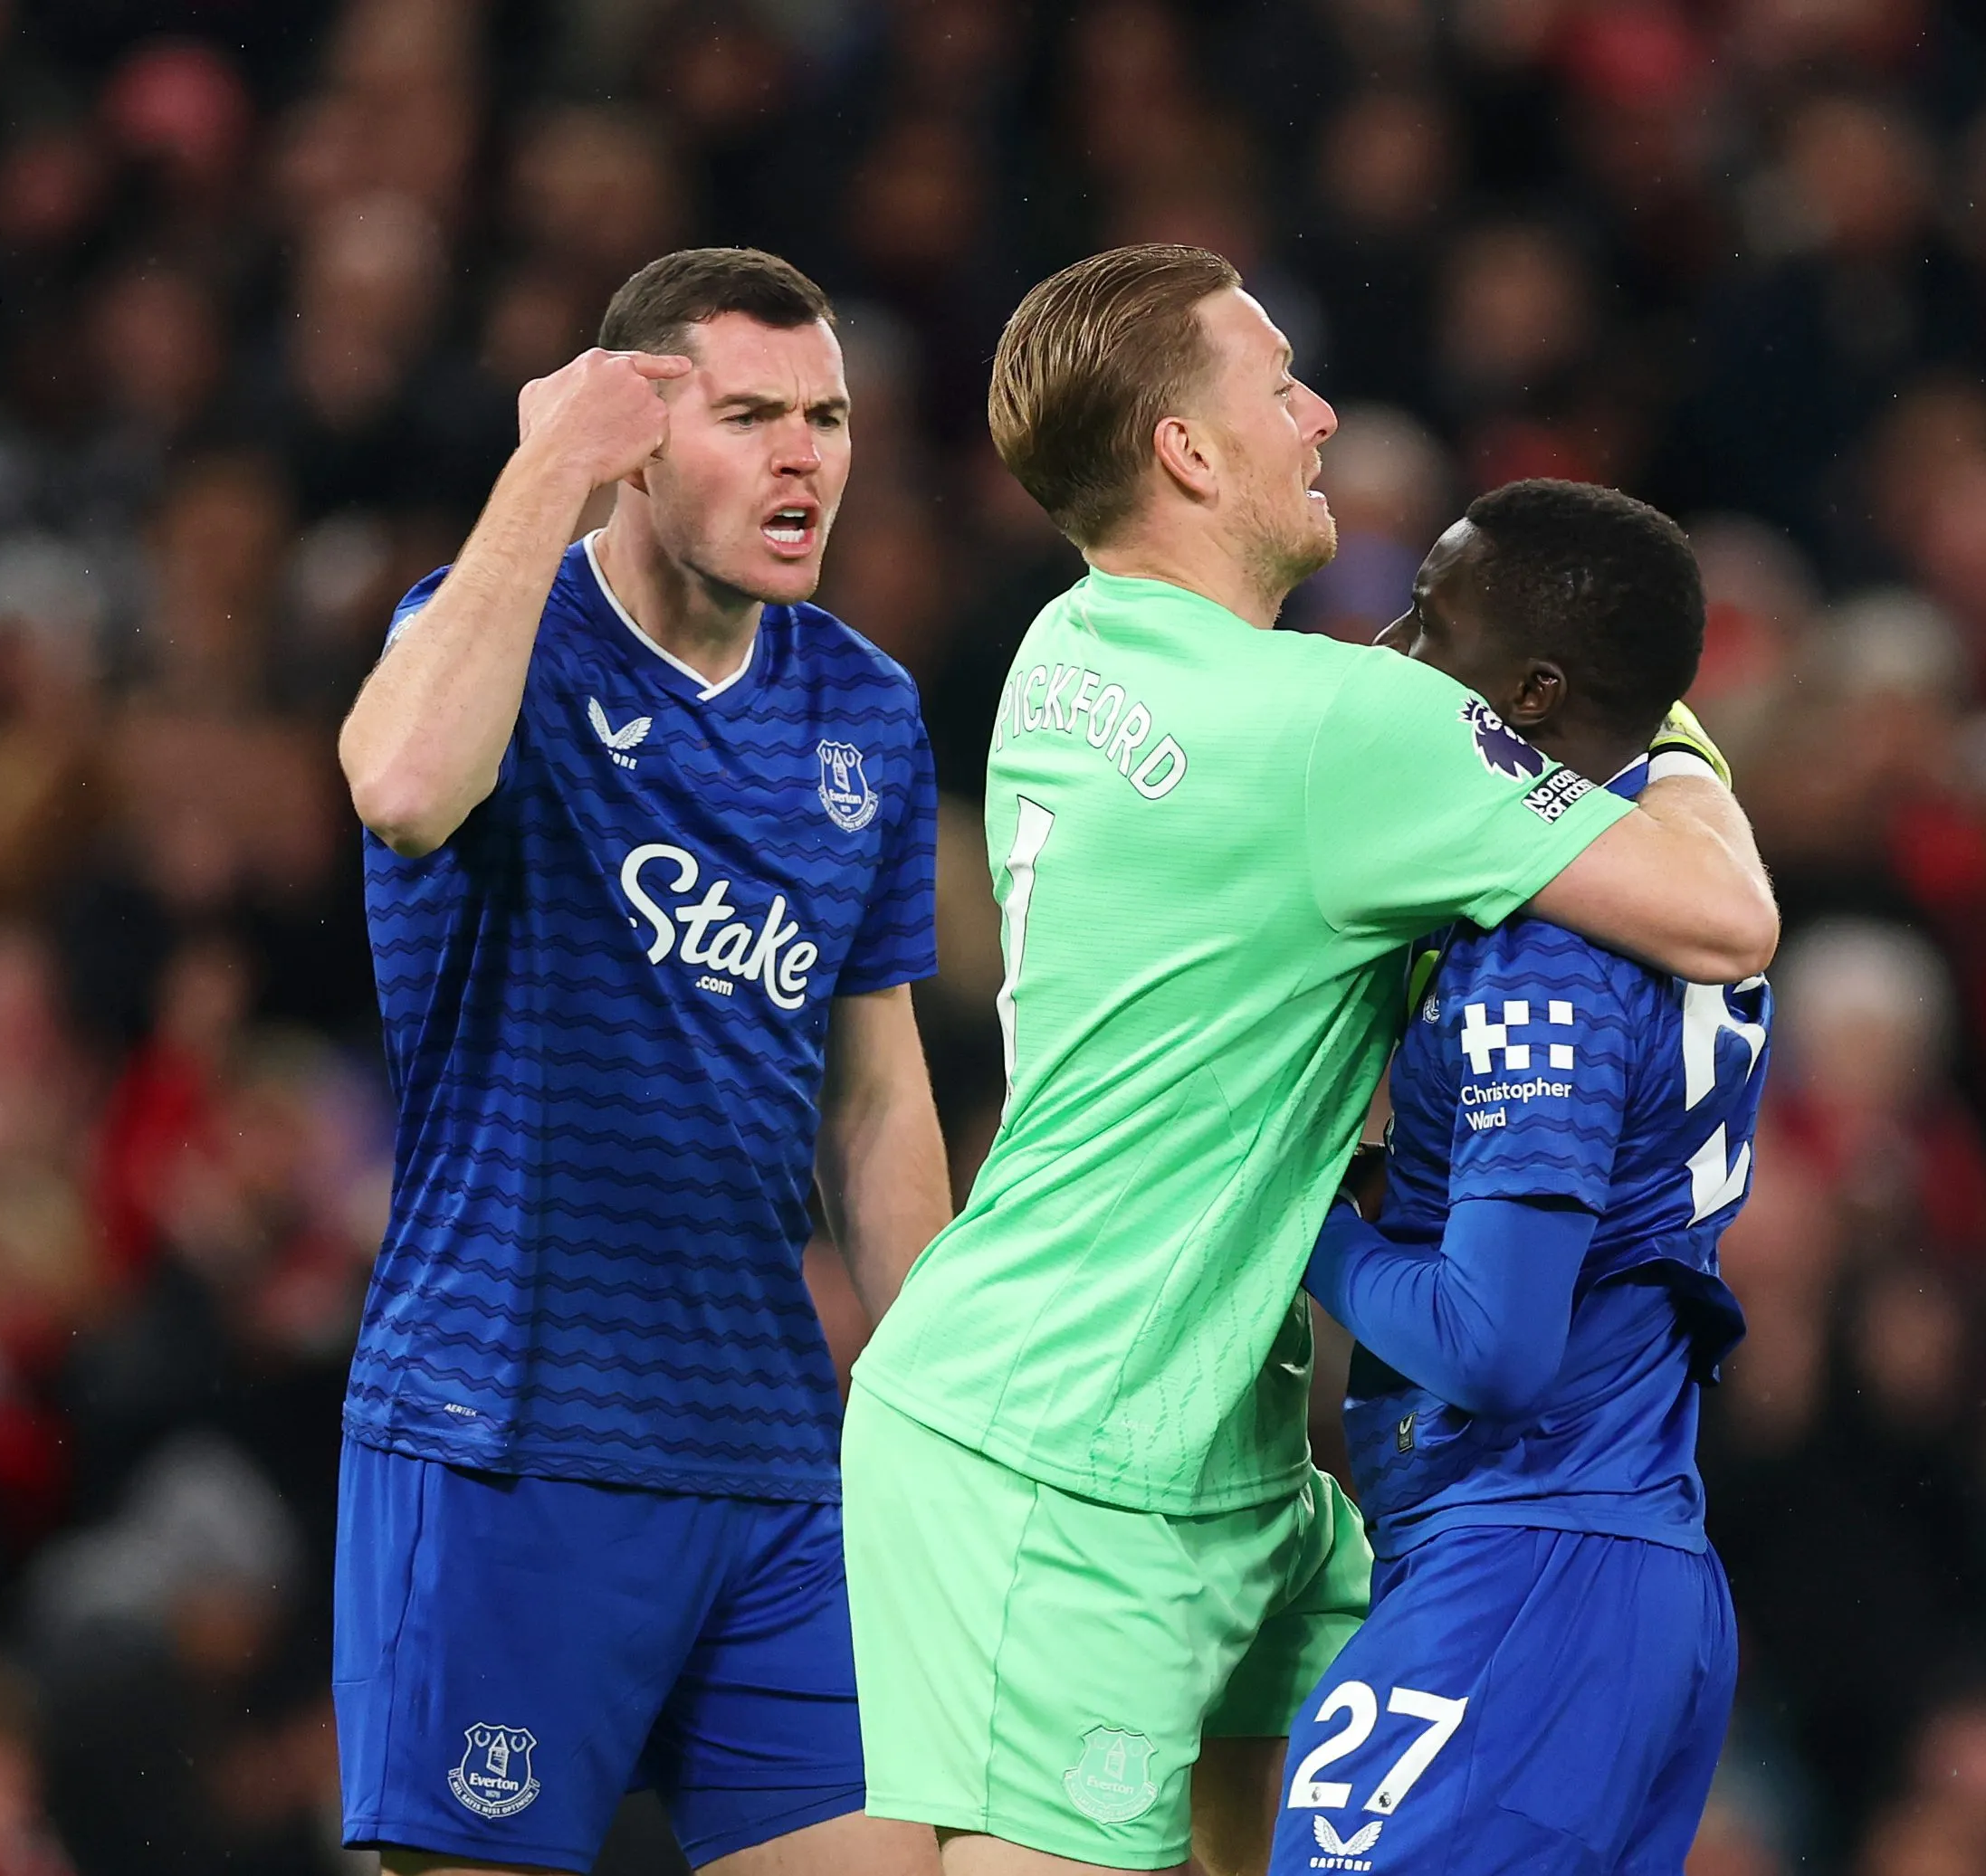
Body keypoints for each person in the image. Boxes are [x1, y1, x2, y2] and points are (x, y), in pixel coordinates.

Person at [839, 245, 1778, 1876]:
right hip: (1080, 1456)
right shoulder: (1345, 728)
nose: (1318, 414)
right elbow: (1722, 920)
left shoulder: (1064, 658)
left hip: (1210, 1443)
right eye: (1276, 384)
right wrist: (1660, 727)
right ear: (1186, 453)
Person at [332, 248, 949, 1876]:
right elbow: (397, 782)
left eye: (826, 415)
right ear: (637, 435)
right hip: (506, 1430)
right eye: (749, 415)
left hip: (768, 1455)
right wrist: (545, 468)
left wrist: (949, 1408)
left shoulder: (868, 716)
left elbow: (874, 1095)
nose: (804, 453)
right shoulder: (487, 642)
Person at [1264, 478, 1763, 1876]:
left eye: (1431, 627)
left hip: (1525, 1556)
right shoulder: (1660, 844)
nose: (1391, 655)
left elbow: (1492, 1344)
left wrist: (1300, 1212)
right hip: (1626, 1561)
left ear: (1531, 694)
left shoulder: (1542, 950)